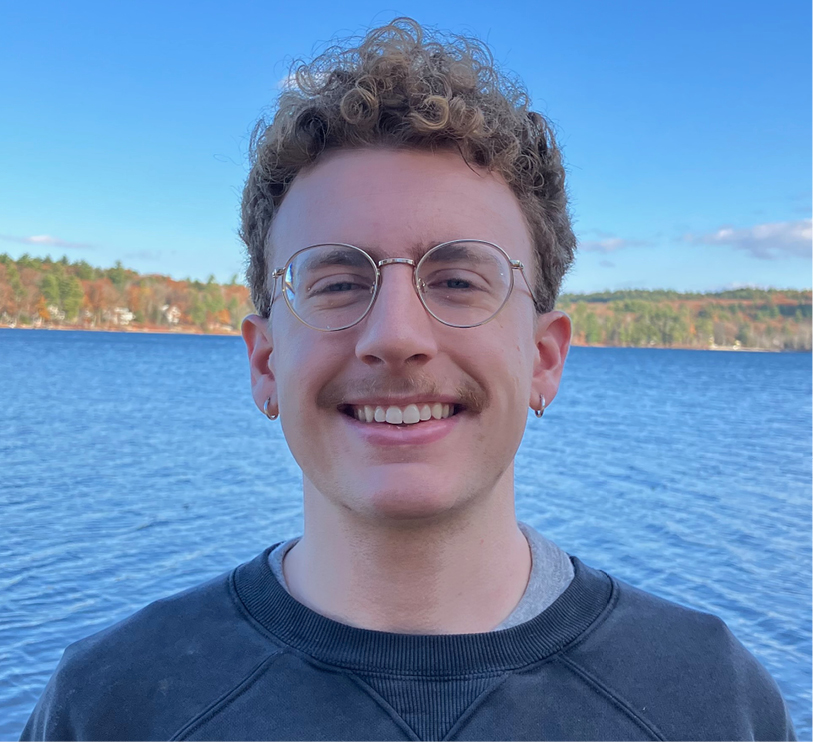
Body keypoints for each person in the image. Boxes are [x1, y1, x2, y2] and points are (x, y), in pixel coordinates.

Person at [22, 18, 795, 741]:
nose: (395, 335)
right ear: (264, 362)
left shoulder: (705, 696)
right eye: (336, 283)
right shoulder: (113, 700)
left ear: (543, 357)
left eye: (458, 280)